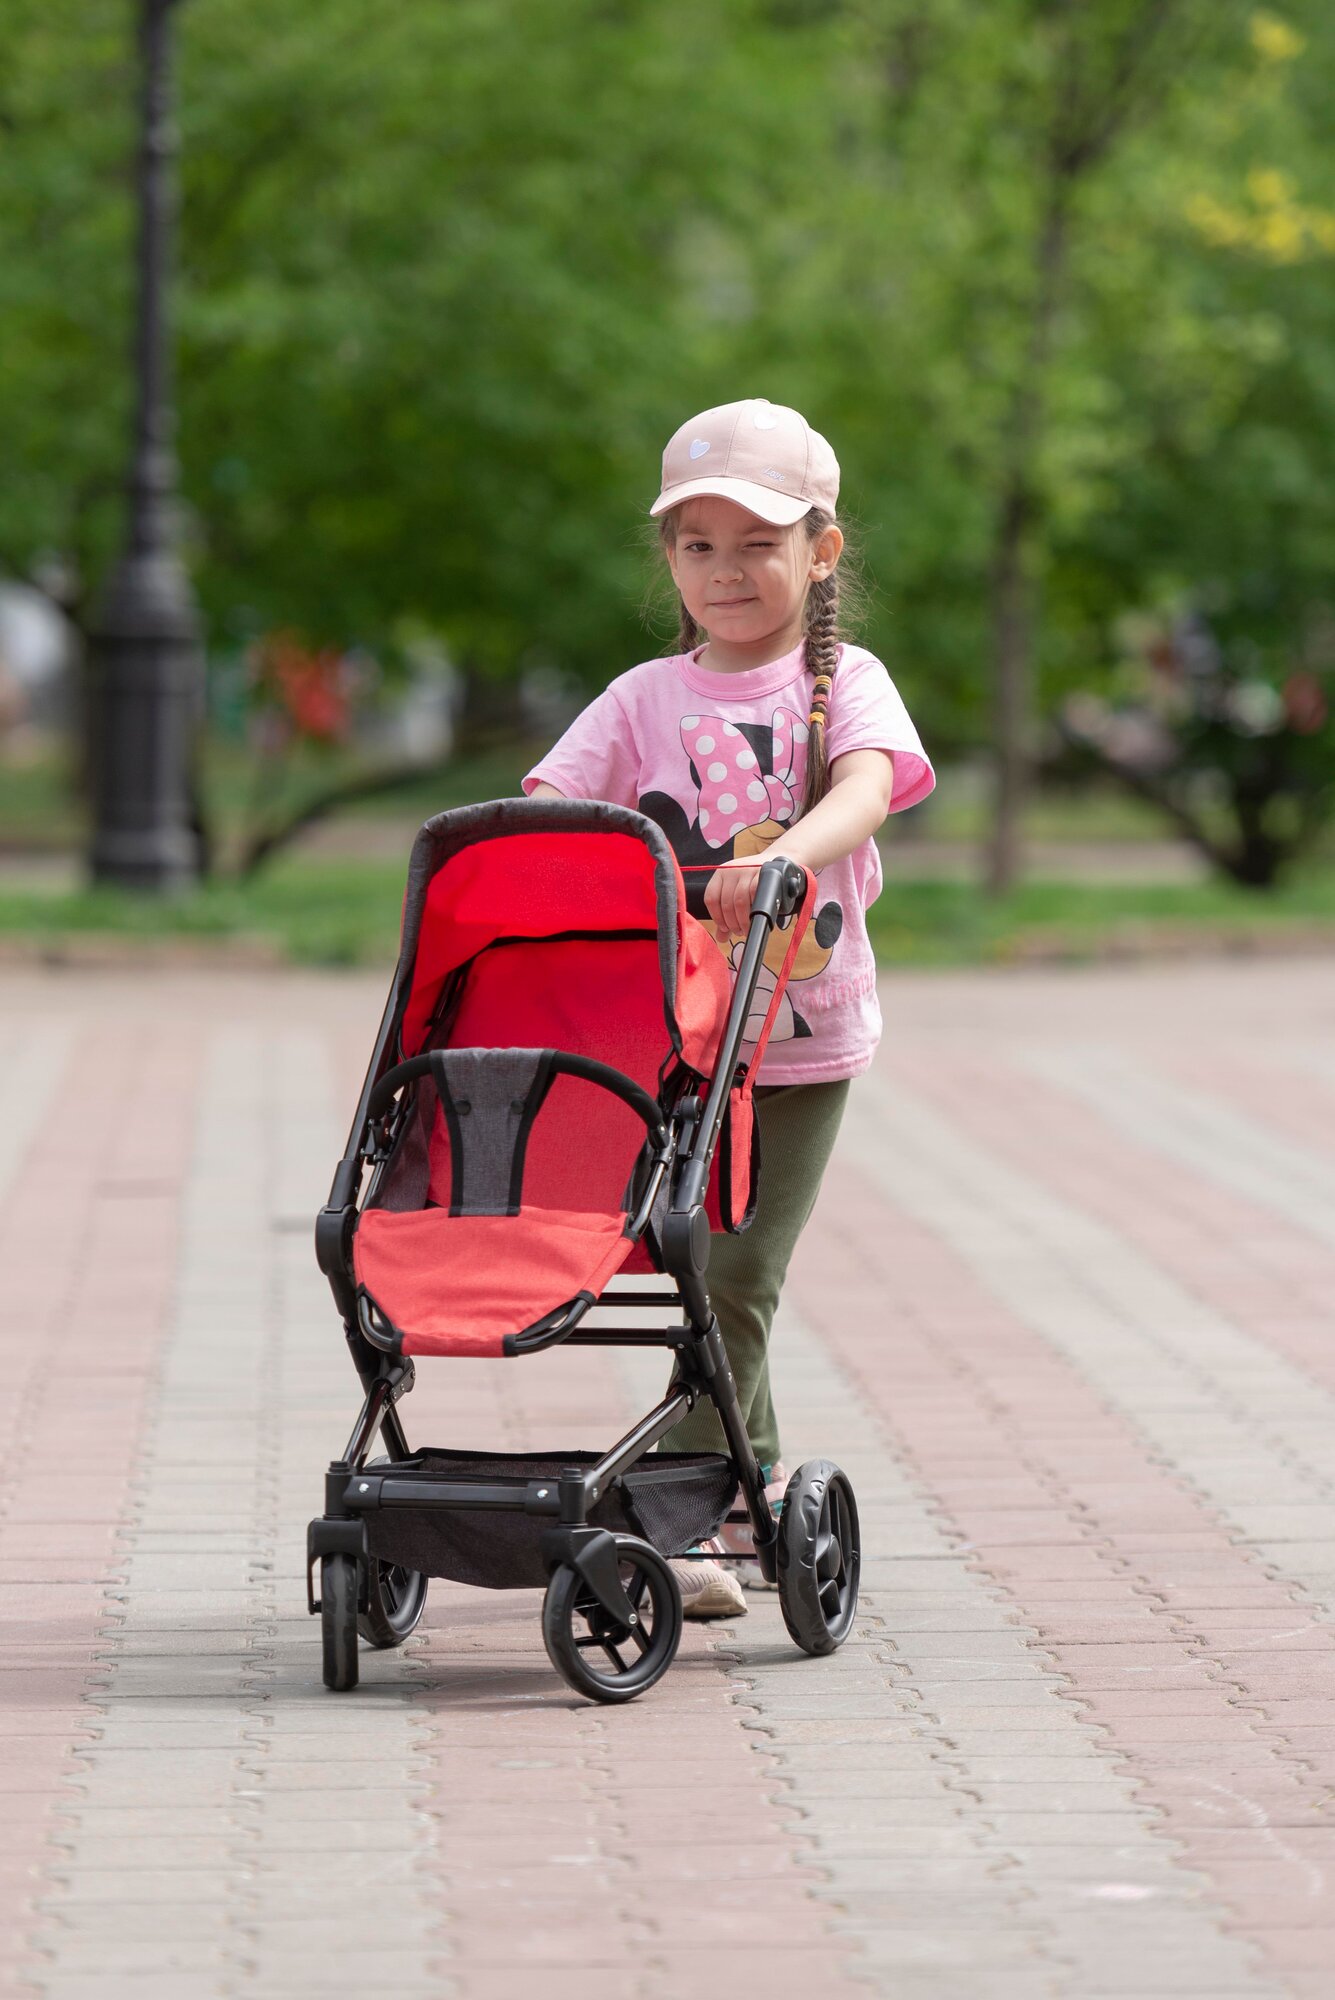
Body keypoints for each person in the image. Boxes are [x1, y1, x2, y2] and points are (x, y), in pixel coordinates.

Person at [524, 397, 935, 1617]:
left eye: (759, 543)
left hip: (802, 1043)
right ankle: (747, 1487)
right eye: (698, 544)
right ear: (670, 559)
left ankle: (678, 1513)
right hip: (677, 1040)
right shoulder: (644, 697)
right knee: (694, 1265)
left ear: (821, 549)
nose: (727, 570)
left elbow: (869, 785)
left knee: (738, 1271)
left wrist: (788, 853)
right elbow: (552, 798)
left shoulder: (841, 682)